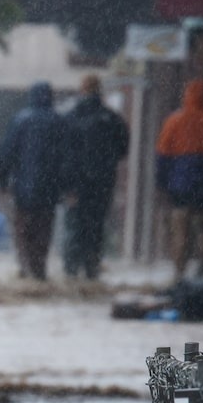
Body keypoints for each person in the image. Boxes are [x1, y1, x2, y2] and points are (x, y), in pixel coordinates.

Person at [155, 78, 203, 282]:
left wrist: (161, 184)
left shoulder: (174, 121)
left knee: (180, 228)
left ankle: (179, 272)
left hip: (179, 184)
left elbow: (162, 156)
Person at [60, 74, 130, 280]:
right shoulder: (112, 119)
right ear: (99, 91)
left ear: (82, 90)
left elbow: (62, 153)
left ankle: (70, 272)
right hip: (102, 183)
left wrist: (66, 184)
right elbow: (123, 149)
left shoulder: (70, 117)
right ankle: (92, 269)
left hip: (75, 184)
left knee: (74, 225)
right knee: (96, 226)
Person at [0, 81, 65, 281]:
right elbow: (67, 157)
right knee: (43, 230)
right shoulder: (59, 122)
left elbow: (6, 154)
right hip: (49, 190)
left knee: (23, 231)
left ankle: (26, 270)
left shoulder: (20, 120)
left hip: (24, 190)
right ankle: (40, 269)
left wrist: (2, 182)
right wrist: (66, 185)